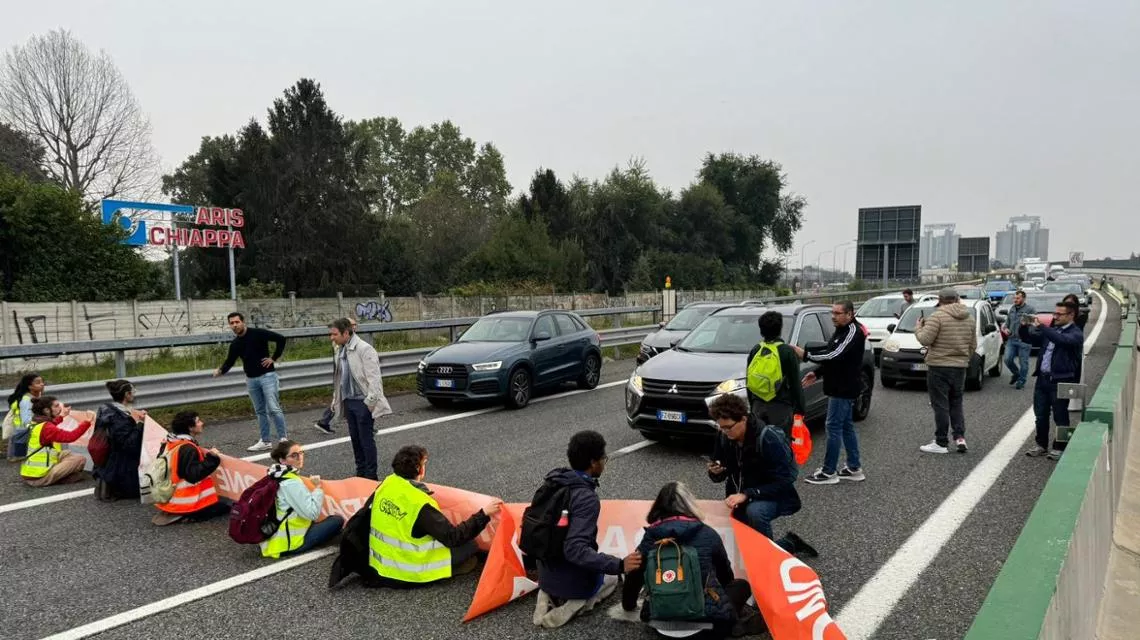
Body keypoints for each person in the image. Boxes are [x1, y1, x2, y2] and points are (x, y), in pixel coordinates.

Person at [329, 445, 501, 588]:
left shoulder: (387, 484)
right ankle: (447, 572)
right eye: (424, 463)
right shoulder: (418, 503)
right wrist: (483, 514)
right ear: (419, 468)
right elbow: (453, 537)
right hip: (407, 572)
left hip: (377, 564)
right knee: (470, 546)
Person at [621, 481, 765, 639]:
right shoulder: (708, 534)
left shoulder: (650, 537)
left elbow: (634, 577)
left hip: (660, 625)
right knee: (741, 586)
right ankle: (734, 625)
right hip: (707, 626)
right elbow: (725, 576)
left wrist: (629, 606)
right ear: (690, 506)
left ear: (658, 507)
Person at [532, 430, 643, 629]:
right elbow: (575, 549)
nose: (604, 463)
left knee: (576, 566)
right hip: (572, 579)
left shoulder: (552, 482)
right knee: (611, 578)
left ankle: (545, 595)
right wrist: (619, 565)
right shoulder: (585, 497)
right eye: (603, 458)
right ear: (593, 463)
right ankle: (577, 604)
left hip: (545, 571)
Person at [707, 394, 816, 557]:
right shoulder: (724, 436)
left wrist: (747, 494)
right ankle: (789, 543)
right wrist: (716, 472)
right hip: (740, 497)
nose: (724, 431)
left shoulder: (768, 438)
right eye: (720, 427)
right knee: (743, 550)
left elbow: (787, 478)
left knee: (755, 512)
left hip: (774, 495)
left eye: (728, 427)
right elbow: (722, 471)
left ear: (743, 419)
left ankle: (768, 562)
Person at [791, 301, 868, 485]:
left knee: (833, 427)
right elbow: (834, 357)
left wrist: (805, 355)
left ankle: (829, 471)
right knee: (846, 426)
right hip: (838, 386)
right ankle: (854, 467)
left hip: (843, 389)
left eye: (838, 313)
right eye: (833, 312)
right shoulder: (841, 330)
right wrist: (817, 373)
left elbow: (834, 355)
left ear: (850, 314)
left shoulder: (852, 332)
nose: (833, 316)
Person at [213, 312, 288, 452]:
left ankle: (283, 439)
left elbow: (281, 339)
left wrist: (274, 358)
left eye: (237, 322)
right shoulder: (235, 344)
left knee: (273, 408)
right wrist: (221, 371)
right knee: (260, 411)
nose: (235, 325)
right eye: (232, 323)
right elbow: (229, 361)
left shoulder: (258, 333)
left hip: (267, 376)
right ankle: (265, 441)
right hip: (251, 379)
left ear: (243, 322)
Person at [327, 318, 392, 480]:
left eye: (334, 334)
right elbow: (339, 378)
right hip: (349, 401)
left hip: (363, 402)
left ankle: (371, 476)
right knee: (355, 439)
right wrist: (336, 399)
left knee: (366, 440)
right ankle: (360, 472)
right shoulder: (340, 349)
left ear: (346, 333)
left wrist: (369, 404)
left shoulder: (365, 349)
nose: (332, 338)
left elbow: (374, 380)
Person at [1020, 300, 1084, 460]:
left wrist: (1043, 327)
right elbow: (1030, 339)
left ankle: (1061, 446)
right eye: (1055, 313)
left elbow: (1061, 341)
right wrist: (1023, 327)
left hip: (1061, 380)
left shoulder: (1076, 333)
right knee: (1040, 415)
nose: (1056, 317)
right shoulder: (1052, 331)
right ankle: (1041, 445)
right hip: (1042, 380)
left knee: (1061, 415)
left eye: (1059, 314)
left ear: (1071, 315)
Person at [915, 288, 977, 454]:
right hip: (960, 366)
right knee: (956, 402)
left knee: (941, 404)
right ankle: (960, 438)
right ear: (957, 299)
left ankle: (941, 442)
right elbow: (973, 345)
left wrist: (918, 328)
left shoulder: (937, 316)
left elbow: (925, 339)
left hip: (939, 366)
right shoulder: (969, 318)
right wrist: (963, 359)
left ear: (940, 300)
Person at [260, 440, 345, 559]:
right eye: (294, 455)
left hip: (274, 536)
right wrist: (318, 488)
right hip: (291, 543)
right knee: (337, 520)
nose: (299, 457)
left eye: (301, 453)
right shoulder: (291, 483)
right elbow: (312, 513)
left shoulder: (274, 474)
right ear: (282, 460)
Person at [153, 411, 228, 525]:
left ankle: (179, 513)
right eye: (198, 421)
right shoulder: (188, 448)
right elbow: (194, 475)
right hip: (185, 502)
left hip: (167, 497)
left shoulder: (169, 442)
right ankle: (189, 515)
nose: (202, 423)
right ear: (190, 427)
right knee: (225, 508)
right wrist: (212, 458)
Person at [746, 311, 805, 437]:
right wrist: (800, 409)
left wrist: (753, 404)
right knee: (781, 442)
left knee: (760, 441)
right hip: (780, 405)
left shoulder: (756, 350)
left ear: (761, 330)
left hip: (758, 404)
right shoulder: (786, 351)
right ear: (780, 329)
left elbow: (749, 381)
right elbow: (795, 383)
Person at [19, 396, 92, 486]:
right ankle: (59, 478)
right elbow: (70, 437)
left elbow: (50, 425)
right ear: (47, 410)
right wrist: (87, 422)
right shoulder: (47, 427)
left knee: (66, 453)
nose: (60, 408)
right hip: (39, 477)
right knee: (80, 459)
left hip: (30, 473)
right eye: (56, 406)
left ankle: (61, 475)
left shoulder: (35, 422)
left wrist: (61, 416)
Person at [94, 380, 146, 501]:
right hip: (122, 467)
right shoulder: (119, 418)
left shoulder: (107, 411)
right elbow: (129, 444)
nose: (134, 394)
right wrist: (140, 424)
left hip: (110, 462)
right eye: (132, 392)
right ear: (127, 394)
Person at [314, 317, 358, 435]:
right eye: (352, 325)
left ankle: (325, 421)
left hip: (345, 375)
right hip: (342, 374)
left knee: (343, 399)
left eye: (355, 325)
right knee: (340, 399)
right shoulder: (340, 342)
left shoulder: (351, 340)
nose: (355, 327)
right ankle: (324, 421)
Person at [5, 372, 44, 459]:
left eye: (42, 382)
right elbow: (26, 420)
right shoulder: (26, 400)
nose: (42, 384)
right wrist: (41, 420)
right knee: (20, 457)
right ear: (30, 386)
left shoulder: (35, 395)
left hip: (24, 429)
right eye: (38, 382)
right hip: (23, 430)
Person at [1004, 290, 1036, 390]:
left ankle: (1021, 381)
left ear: (1023, 298)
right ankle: (1016, 374)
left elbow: (1034, 326)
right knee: (1007, 359)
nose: (1015, 300)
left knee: (1023, 363)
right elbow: (1007, 323)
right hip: (1012, 339)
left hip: (1024, 341)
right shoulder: (1012, 309)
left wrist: (1026, 326)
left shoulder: (1030, 309)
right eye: (1014, 298)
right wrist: (1005, 329)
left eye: (1018, 298)